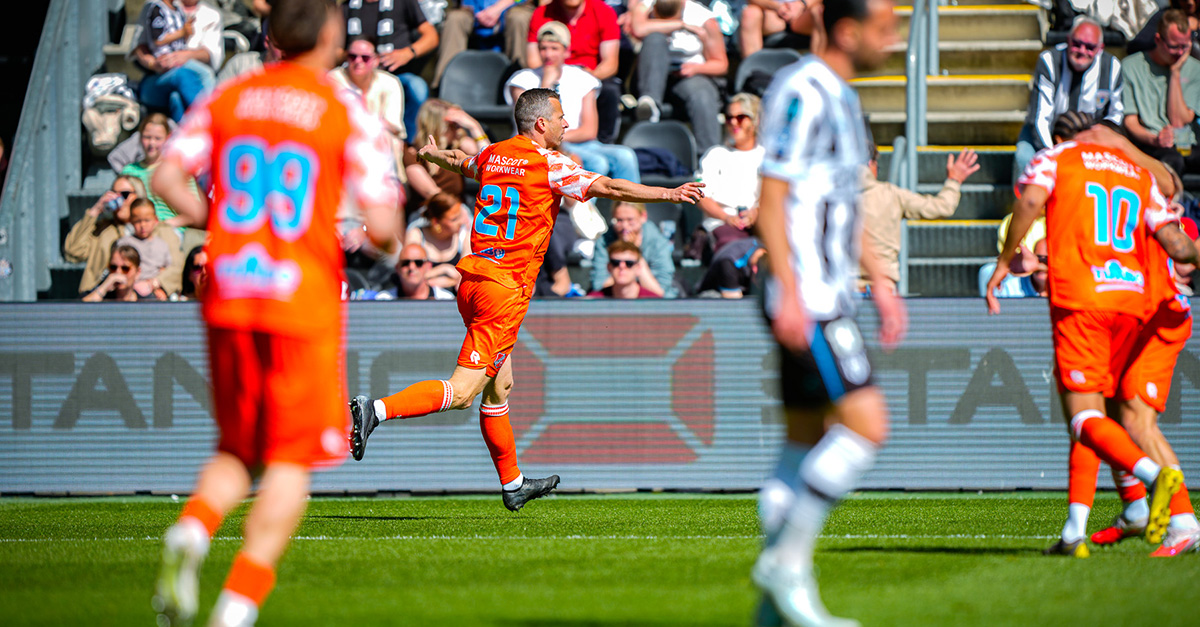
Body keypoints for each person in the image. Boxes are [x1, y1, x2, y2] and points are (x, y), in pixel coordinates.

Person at [148, 1, 401, 625]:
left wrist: (231, 222)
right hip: (301, 297)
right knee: (292, 459)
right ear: (328, 34)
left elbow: (166, 177)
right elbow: (389, 227)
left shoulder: (231, 96)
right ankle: (236, 607)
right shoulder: (343, 109)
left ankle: (194, 525)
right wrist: (367, 239)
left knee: (240, 446)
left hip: (230, 286)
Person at [348, 88, 704, 512]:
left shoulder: (495, 154)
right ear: (540, 124)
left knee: (500, 387)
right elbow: (607, 185)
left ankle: (513, 483)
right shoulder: (550, 164)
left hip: (473, 280)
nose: (566, 124)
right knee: (463, 392)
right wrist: (668, 194)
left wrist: (431, 155)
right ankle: (376, 410)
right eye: (560, 117)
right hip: (504, 290)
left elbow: (463, 164)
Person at [750, 1, 908, 625]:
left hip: (828, 288)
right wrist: (788, 289)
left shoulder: (842, 96)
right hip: (807, 294)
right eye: (885, 27)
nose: (892, 41)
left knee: (801, 443)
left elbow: (840, 201)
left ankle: (774, 609)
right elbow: (772, 194)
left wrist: (882, 280)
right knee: (868, 426)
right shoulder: (804, 89)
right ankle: (786, 564)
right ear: (848, 32)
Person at [985, 111, 1194, 557]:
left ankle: (1162, 489)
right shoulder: (1137, 173)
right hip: (1132, 304)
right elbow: (1177, 242)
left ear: (1065, 137)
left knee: (1092, 416)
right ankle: (1081, 530)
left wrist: (1007, 262)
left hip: (1091, 299)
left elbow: (1028, 202)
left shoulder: (1059, 158)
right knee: (1100, 414)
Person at [507, 22, 642, 183]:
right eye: (543, 48)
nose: (548, 54)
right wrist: (547, 82)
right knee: (597, 162)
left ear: (566, 50)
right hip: (541, 146)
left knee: (625, 155)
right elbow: (533, 129)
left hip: (583, 143)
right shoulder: (521, 80)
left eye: (554, 48)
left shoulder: (583, 78)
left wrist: (559, 135)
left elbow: (589, 130)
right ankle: (580, 209)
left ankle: (631, 208)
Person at [1015, 16, 1125, 179]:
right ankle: (1026, 203)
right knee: (1024, 157)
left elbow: (1115, 116)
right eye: (1077, 44)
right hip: (1049, 133)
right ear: (1068, 40)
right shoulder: (1049, 61)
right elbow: (1040, 119)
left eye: (1089, 47)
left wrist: (1093, 144)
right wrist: (1053, 154)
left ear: (1100, 48)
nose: (1082, 51)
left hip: (1091, 138)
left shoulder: (1112, 67)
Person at [860, 142, 978, 292]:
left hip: (840, 289)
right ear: (871, 164)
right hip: (882, 288)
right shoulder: (891, 195)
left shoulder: (828, 197)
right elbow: (942, 207)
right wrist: (954, 181)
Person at [629, 0, 728, 155]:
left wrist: (696, 68)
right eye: (660, 18)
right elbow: (639, 28)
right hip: (652, 78)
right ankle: (649, 106)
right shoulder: (645, 6)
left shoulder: (704, 18)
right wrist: (680, 25)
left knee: (702, 93)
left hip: (688, 76)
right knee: (655, 37)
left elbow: (721, 63)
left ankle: (710, 156)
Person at [527, 0, 624, 143]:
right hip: (552, 71)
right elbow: (533, 60)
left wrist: (585, 79)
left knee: (610, 91)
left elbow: (610, 63)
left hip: (591, 74)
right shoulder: (542, 13)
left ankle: (605, 142)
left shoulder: (603, 11)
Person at [344, 0, 440, 140]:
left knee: (417, 87)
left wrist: (408, 52)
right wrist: (356, 56)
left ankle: (411, 146)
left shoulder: (402, 2)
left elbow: (431, 37)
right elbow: (334, 48)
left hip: (397, 75)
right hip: (357, 78)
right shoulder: (346, 6)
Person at [1122, 9, 1200, 176]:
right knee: (1173, 161)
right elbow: (1130, 121)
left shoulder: (1194, 68)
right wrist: (1154, 139)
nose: (1180, 53)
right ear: (1158, 40)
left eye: (1185, 46)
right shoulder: (1131, 66)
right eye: (1174, 47)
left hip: (1186, 145)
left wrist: (1175, 73)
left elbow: (1179, 122)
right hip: (1151, 144)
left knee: (1183, 156)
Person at [689, 93, 764, 259]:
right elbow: (700, 196)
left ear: (755, 120)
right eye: (729, 118)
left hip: (758, 222)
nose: (733, 123)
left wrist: (755, 213)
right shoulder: (716, 155)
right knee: (735, 247)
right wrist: (727, 217)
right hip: (721, 223)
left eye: (741, 117)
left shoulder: (766, 157)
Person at [133, 0, 218, 122]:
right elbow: (151, 42)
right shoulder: (155, 7)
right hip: (157, 77)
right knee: (190, 75)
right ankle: (209, 119)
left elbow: (210, 54)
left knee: (176, 98)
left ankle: (188, 132)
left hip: (179, 73)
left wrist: (186, 36)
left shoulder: (179, 10)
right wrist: (154, 64)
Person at [403, 99, 490, 215]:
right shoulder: (413, 153)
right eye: (453, 125)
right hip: (431, 215)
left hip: (459, 211)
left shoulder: (457, 145)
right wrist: (459, 212)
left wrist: (474, 127)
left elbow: (490, 161)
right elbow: (432, 193)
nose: (459, 129)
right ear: (439, 127)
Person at [63, 175, 144, 294]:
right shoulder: (103, 229)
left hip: (139, 299)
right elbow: (73, 251)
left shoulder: (155, 229)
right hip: (100, 299)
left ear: (139, 197)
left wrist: (155, 283)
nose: (119, 200)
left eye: (125, 195)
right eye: (115, 195)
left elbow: (172, 267)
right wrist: (95, 210)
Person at [432, 0, 535, 88]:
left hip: (512, 8)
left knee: (519, 18)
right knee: (455, 18)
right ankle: (445, 86)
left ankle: (522, 85)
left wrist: (498, 8)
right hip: (472, 11)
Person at [121, 113, 198, 222]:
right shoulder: (129, 171)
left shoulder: (178, 170)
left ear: (167, 139)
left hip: (172, 231)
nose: (152, 143)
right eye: (147, 137)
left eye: (158, 138)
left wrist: (167, 225)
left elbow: (195, 213)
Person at [590, 201, 673, 296]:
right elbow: (599, 285)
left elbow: (660, 292)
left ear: (643, 217)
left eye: (630, 220)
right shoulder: (604, 242)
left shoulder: (658, 242)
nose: (625, 226)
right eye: (619, 220)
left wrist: (635, 253)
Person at [116, 197, 184, 296]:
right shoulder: (124, 243)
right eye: (138, 221)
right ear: (131, 221)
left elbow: (171, 268)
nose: (143, 225)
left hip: (156, 290)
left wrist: (154, 284)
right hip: (131, 289)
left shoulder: (162, 244)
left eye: (147, 220)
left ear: (155, 220)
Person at [405, 191, 472, 290]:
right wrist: (443, 269)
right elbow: (409, 275)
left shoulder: (464, 236)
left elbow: (465, 277)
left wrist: (428, 278)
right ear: (436, 222)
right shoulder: (416, 235)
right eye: (454, 219)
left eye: (460, 216)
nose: (461, 222)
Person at [82, 245, 167, 301]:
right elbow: (77, 313)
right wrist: (103, 288)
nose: (118, 272)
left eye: (125, 268)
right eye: (113, 267)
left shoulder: (146, 302)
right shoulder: (100, 296)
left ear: (137, 272)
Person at [588, 240, 662, 297]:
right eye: (616, 262)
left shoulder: (653, 303)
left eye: (629, 263)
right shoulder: (593, 301)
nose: (622, 266)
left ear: (639, 268)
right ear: (608, 267)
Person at [382, 243, 457, 299]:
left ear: (428, 266)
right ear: (397, 268)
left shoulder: (445, 300)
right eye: (405, 263)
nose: (411, 267)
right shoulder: (383, 300)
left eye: (418, 263)